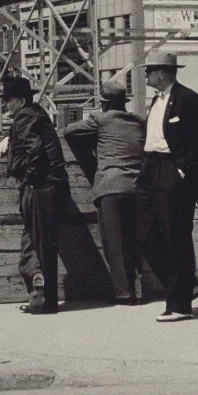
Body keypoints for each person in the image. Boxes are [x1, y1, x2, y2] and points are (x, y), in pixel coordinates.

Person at [135, 50, 198, 323]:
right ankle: (186, 284)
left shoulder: (188, 99)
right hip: (150, 169)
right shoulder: (155, 101)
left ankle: (180, 305)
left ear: (161, 73)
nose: (145, 75)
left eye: (149, 71)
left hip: (172, 170)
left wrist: (182, 170)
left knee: (176, 236)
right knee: (144, 236)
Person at [63, 80, 147, 305]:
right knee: (132, 240)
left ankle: (124, 293)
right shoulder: (139, 121)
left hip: (110, 186)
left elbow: (69, 131)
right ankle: (139, 291)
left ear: (104, 104)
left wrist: (91, 159)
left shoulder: (100, 119)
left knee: (114, 244)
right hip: (136, 188)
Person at [0, 76, 69, 315]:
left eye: (8, 100)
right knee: (33, 240)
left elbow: (34, 148)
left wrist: (30, 179)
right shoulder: (34, 113)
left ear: (20, 100)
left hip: (41, 187)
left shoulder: (25, 115)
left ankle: (47, 301)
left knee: (42, 244)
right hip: (48, 186)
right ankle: (37, 289)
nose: (6, 105)